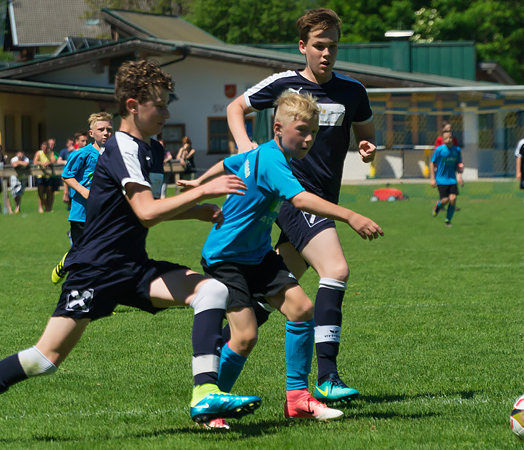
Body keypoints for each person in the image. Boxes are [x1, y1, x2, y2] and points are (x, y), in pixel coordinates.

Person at [0, 60, 262, 449]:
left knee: (212, 291)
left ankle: (204, 394)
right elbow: (147, 213)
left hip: (132, 267)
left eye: (167, 104)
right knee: (44, 360)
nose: (166, 113)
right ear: (133, 105)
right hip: (94, 270)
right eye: (159, 106)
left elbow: (148, 204)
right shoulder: (122, 147)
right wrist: (200, 193)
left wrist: (196, 212)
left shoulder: (153, 148)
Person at [183, 92, 382, 428]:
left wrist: (201, 179)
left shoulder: (261, 152)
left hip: (257, 255)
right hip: (226, 258)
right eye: (302, 130)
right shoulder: (274, 161)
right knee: (245, 337)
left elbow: (230, 162)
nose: (308, 139)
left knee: (301, 309)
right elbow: (301, 200)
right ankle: (210, 406)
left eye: (314, 133)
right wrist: (350, 216)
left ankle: (297, 399)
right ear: (278, 127)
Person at [224, 8, 377, 403]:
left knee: (273, 293)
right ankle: (327, 375)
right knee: (336, 269)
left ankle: (217, 354)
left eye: (332, 46)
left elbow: (366, 130)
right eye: (319, 46)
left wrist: (365, 145)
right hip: (296, 196)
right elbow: (235, 108)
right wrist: (245, 147)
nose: (326, 53)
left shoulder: (353, 92)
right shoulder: (285, 85)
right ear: (303, 47)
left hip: (323, 200)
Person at [51, 113, 114, 284]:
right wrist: (85, 191)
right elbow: (66, 175)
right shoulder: (82, 154)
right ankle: (67, 263)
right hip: (82, 214)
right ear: (91, 133)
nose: (106, 133)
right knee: (84, 257)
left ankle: (98, 298)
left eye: (109, 129)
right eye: (101, 129)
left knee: (103, 256)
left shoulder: (114, 154)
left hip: (104, 213)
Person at [430, 131, 464, 227]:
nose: (448, 140)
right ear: (443, 140)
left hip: (452, 179)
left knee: (453, 199)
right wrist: (432, 178)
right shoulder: (439, 150)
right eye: (446, 138)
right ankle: (438, 206)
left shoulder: (456, 150)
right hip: (441, 179)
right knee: (445, 200)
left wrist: (460, 176)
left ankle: (448, 221)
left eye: (450, 138)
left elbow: (459, 164)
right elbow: (432, 162)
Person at [33, 142, 55, 212]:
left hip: (49, 175)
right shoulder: (38, 153)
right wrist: (42, 163)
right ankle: (45, 206)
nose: (45, 149)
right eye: (43, 148)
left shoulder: (51, 153)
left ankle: (48, 207)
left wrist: (48, 163)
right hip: (40, 175)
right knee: (41, 192)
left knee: (49, 191)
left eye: (46, 148)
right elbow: (35, 161)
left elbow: (53, 161)